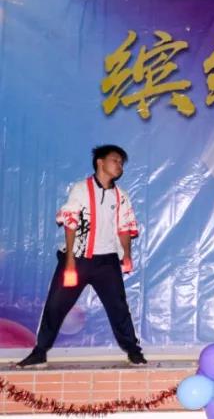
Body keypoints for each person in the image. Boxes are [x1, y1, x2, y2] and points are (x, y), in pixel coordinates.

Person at [16, 145, 146, 368]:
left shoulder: (121, 196)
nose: (120, 166)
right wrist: (69, 261)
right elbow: (70, 223)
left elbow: (124, 227)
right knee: (56, 305)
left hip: (107, 262)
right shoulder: (81, 189)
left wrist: (127, 255)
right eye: (115, 160)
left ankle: (134, 351)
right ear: (100, 162)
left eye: (121, 163)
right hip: (78, 259)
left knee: (119, 307)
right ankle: (40, 352)